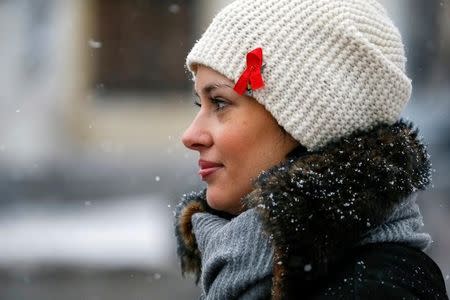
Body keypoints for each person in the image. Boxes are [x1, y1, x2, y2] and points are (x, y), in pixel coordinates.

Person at [174, 0, 449, 299]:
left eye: (220, 102)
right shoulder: (246, 267)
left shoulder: (374, 290)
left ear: (308, 122)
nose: (190, 136)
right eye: (200, 104)